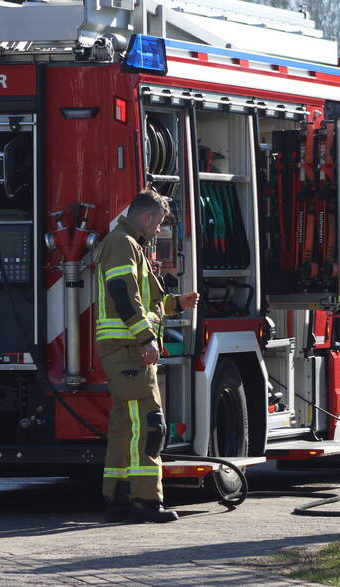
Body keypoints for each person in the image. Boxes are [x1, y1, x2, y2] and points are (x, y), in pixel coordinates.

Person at [95, 189, 199, 523]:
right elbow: (122, 295)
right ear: (146, 216)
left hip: (126, 349)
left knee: (125, 426)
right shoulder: (123, 244)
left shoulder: (128, 245)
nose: (159, 230)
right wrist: (145, 339)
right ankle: (146, 501)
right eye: (159, 223)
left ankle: (119, 499)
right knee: (150, 425)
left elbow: (145, 300)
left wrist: (176, 303)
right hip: (128, 349)